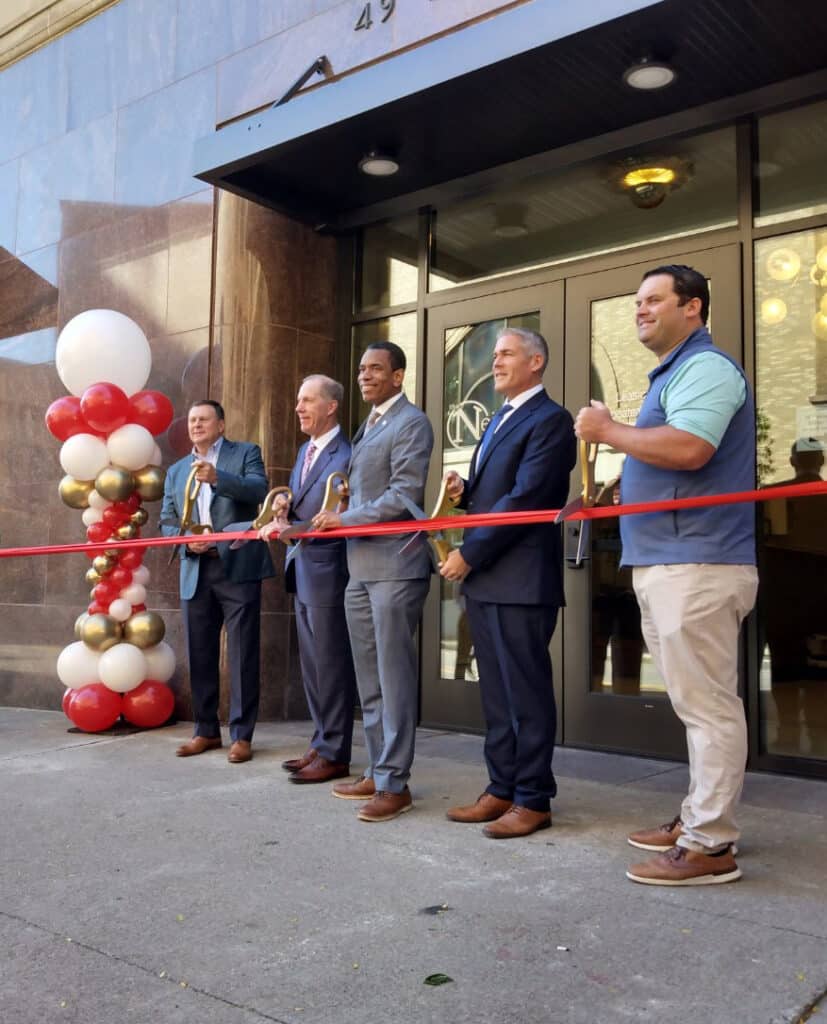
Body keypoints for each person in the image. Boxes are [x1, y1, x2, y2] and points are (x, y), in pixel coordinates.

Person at [575, 264, 758, 885]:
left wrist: (609, 432)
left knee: (707, 708)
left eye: (655, 300)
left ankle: (710, 845)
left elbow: (690, 449)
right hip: (672, 561)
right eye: (637, 302)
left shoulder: (706, 367)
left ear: (695, 308)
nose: (640, 310)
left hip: (698, 562)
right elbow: (671, 457)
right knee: (696, 703)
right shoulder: (676, 373)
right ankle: (699, 816)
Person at [439, 327, 575, 839]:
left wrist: (469, 553)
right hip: (489, 582)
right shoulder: (501, 417)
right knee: (496, 695)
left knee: (527, 693)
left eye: (506, 354)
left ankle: (533, 798)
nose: (494, 362)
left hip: (521, 581)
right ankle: (501, 787)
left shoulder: (552, 420)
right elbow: (496, 493)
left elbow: (525, 499)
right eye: (494, 355)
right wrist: (463, 491)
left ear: (536, 361)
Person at [311, 341, 433, 823]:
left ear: (398, 376)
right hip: (359, 568)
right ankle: (379, 769)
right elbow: (364, 492)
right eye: (361, 369)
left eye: (376, 369)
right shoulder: (372, 424)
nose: (365, 376)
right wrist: (340, 511)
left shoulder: (411, 422)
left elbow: (404, 495)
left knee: (393, 678)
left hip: (395, 568)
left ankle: (395, 783)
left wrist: (345, 519)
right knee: (370, 679)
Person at [161, 400, 274, 763]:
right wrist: (184, 541)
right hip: (196, 567)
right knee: (200, 653)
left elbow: (260, 493)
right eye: (191, 420)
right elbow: (166, 519)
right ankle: (205, 730)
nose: (196, 425)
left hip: (237, 566)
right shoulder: (176, 471)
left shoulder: (245, 454)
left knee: (242, 654)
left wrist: (219, 478)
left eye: (204, 419)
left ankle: (242, 736)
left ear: (221, 425)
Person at [259, 375, 356, 784]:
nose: (298, 407)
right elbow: (306, 508)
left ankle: (335, 752)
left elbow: (344, 509)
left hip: (330, 571)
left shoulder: (347, 453)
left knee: (331, 665)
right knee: (313, 666)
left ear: (330, 406)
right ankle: (321, 741)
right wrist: (285, 507)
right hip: (302, 569)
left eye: (307, 400)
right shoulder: (305, 451)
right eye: (298, 400)